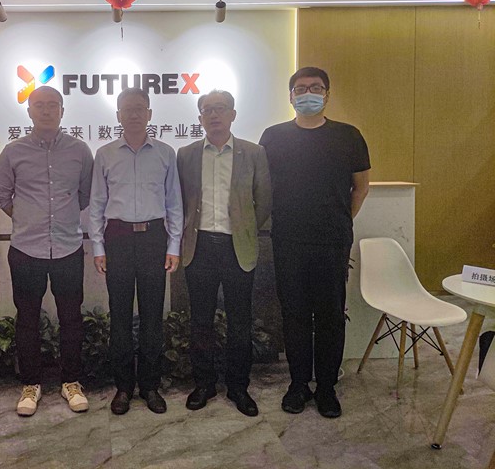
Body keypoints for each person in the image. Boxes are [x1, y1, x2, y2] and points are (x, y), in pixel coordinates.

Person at [259, 66, 370, 419]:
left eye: (316, 87)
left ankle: (326, 388)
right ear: (291, 96)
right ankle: (297, 385)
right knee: (293, 315)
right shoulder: (273, 137)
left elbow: (361, 187)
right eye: (301, 88)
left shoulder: (348, 136)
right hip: (287, 240)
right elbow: (263, 186)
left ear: (327, 94)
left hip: (332, 241)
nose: (308, 93)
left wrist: (340, 220)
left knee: (330, 316)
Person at [0, 86, 94, 417]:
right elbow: (2, 197)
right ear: (29, 111)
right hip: (26, 248)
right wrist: (29, 220)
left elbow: (85, 195)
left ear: (63, 110)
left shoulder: (80, 151)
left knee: (71, 318)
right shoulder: (13, 152)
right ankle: (31, 384)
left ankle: (71, 382)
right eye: (40, 105)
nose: (47, 111)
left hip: (68, 247)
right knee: (27, 319)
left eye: (53, 105)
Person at [177, 90, 271, 416]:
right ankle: (203, 384)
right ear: (200, 118)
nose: (214, 115)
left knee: (239, 321)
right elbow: (179, 199)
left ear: (233, 114)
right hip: (199, 246)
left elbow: (264, 200)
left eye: (220, 109)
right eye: (207, 110)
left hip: (237, 247)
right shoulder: (186, 154)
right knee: (200, 320)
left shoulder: (254, 153)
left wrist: (244, 228)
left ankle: (238, 386)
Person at [89, 87, 183, 415]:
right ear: (118, 115)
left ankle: (151, 386)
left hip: (154, 238)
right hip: (117, 237)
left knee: (153, 316)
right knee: (119, 316)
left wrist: (173, 245)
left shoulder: (166, 153)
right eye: (127, 109)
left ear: (149, 114)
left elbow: (174, 203)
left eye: (140, 108)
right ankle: (124, 387)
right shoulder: (104, 154)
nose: (133, 114)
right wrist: (98, 246)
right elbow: (97, 203)